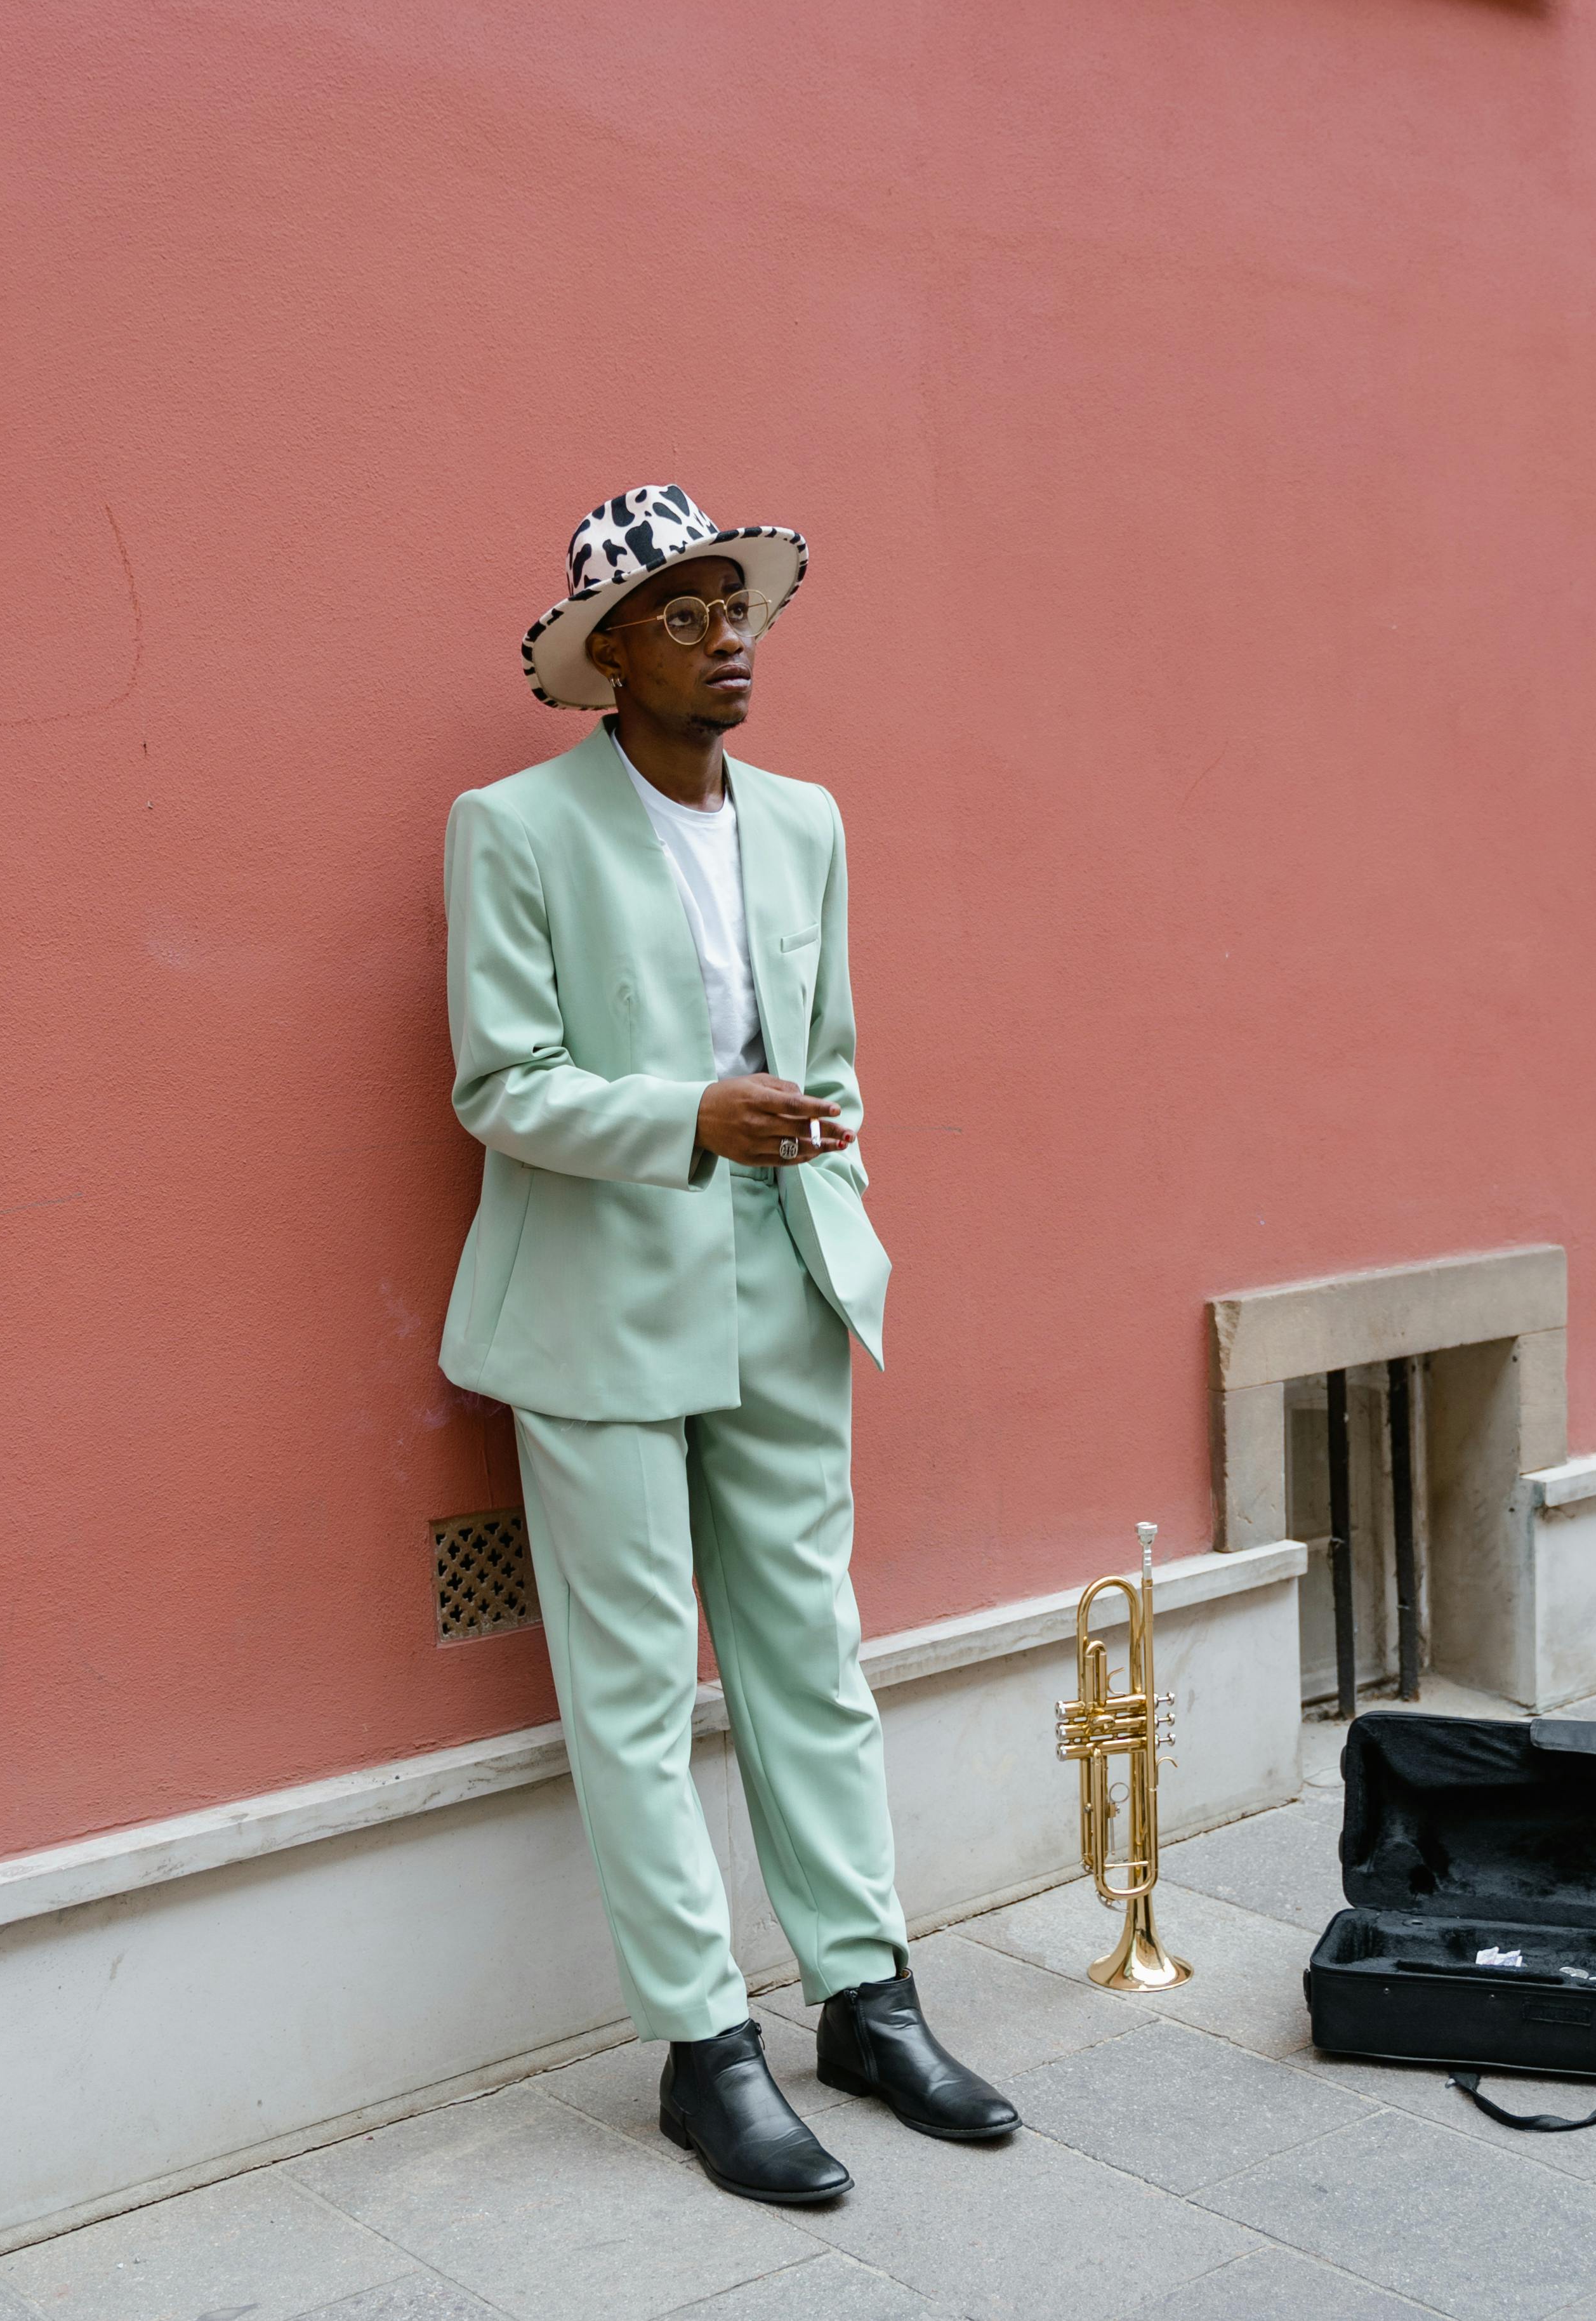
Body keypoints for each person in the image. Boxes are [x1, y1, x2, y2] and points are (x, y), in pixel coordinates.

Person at [438, 486, 1017, 2204]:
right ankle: (705, 2051)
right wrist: (689, 1118)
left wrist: (819, 1166)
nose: (727, 639)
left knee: (808, 1650)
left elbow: (829, 1052)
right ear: (610, 653)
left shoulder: (807, 821)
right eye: (683, 615)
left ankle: (867, 1998)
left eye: (737, 607)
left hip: (787, 1270)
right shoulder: (513, 827)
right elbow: (498, 1083)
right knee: (632, 1689)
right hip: (597, 1297)